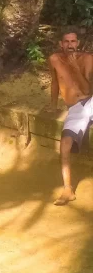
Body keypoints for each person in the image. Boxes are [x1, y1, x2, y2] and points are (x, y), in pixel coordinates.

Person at [48, 27, 93, 205]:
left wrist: (75, 68)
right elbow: (54, 82)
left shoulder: (87, 59)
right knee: (65, 144)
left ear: (78, 43)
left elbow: (87, 89)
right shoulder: (54, 59)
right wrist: (53, 105)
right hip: (76, 108)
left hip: (90, 100)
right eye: (66, 41)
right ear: (61, 44)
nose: (70, 45)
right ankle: (68, 189)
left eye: (73, 41)